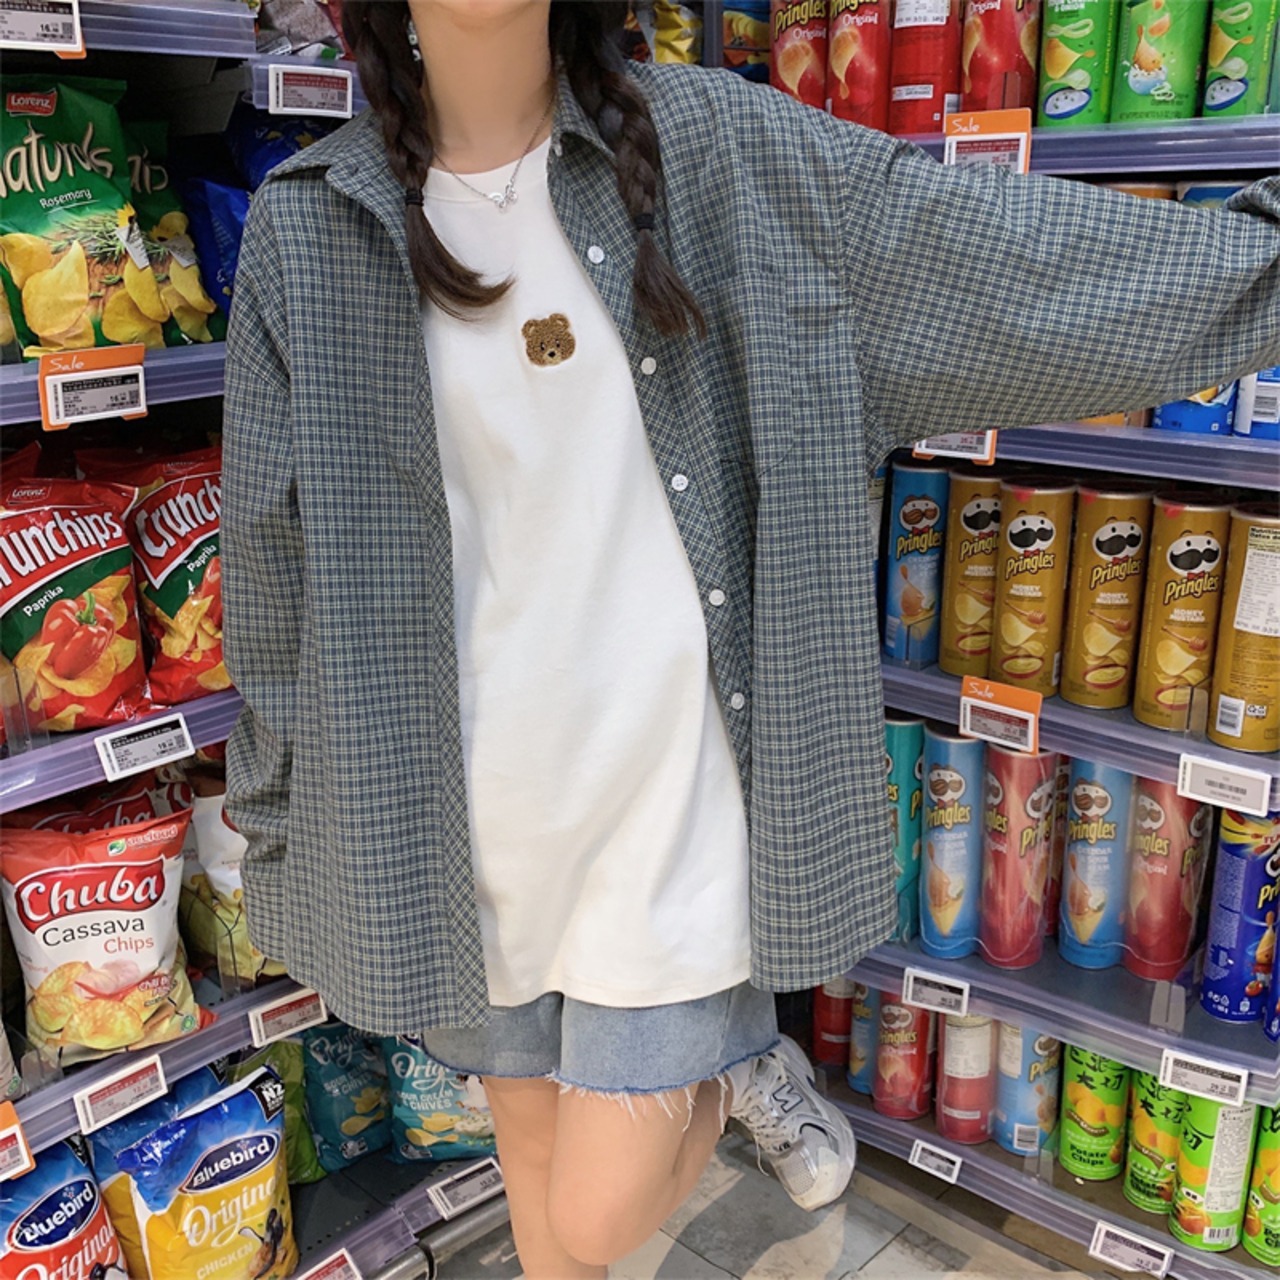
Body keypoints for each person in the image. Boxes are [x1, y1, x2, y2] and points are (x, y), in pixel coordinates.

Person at [220, 2, 1280, 1277]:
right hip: (464, 828)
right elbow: (270, 568)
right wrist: (272, 817)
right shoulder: (310, 225)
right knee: (540, 1186)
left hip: (671, 805)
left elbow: (1012, 265)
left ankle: (728, 1056)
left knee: (594, 1209)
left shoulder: (725, 153)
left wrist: (1253, 265)